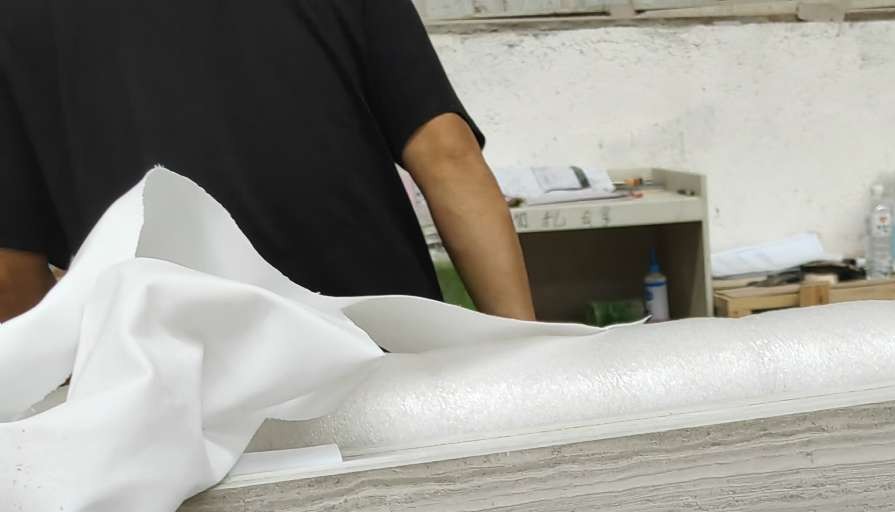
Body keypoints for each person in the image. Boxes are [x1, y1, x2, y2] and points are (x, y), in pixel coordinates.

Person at [0, 0, 534, 322]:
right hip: (383, 345)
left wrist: (63, 402)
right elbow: (446, 154)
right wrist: (530, 353)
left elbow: (12, 270)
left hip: (175, 392)